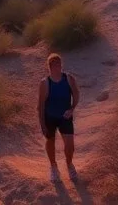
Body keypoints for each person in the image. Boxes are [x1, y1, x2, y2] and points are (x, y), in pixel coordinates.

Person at [37, 53, 80, 183]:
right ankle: (54, 167)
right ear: (49, 67)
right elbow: (40, 105)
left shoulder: (69, 79)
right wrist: (42, 124)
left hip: (65, 117)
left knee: (70, 145)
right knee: (50, 142)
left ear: (61, 65)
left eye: (58, 64)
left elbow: (76, 94)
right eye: (53, 64)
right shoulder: (45, 83)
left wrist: (72, 109)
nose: (57, 67)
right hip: (50, 117)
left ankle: (69, 164)